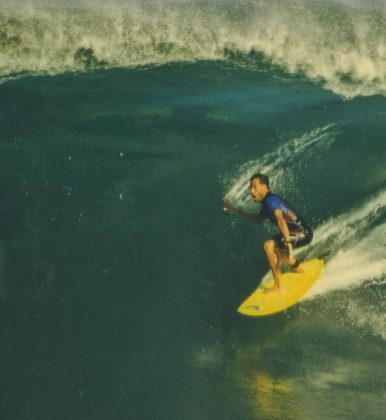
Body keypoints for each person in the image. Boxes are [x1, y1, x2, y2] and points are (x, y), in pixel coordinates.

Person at [223, 173, 313, 294]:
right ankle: (296, 266)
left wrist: (288, 244)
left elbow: (280, 219)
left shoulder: (271, 202)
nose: (251, 191)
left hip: (302, 233)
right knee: (274, 251)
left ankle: (278, 287)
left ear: (265, 187)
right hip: (299, 232)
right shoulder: (267, 203)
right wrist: (235, 211)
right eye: (250, 187)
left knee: (268, 246)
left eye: (254, 187)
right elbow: (257, 220)